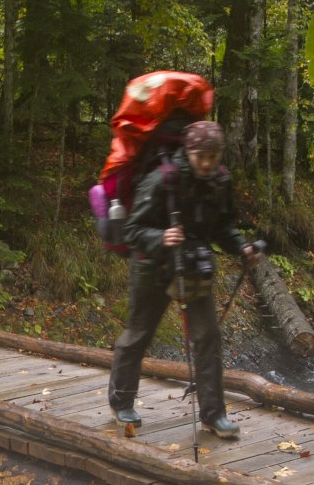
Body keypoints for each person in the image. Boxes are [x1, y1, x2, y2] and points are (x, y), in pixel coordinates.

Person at [107, 119, 260, 438]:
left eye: (213, 157)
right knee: (139, 333)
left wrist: (242, 247)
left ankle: (214, 415)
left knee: (207, 336)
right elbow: (132, 231)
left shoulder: (220, 180)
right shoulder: (162, 179)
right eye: (201, 156)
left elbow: (224, 227)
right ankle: (122, 404)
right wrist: (162, 237)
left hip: (193, 263)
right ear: (188, 151)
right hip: (151, 265)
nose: (207, 163)